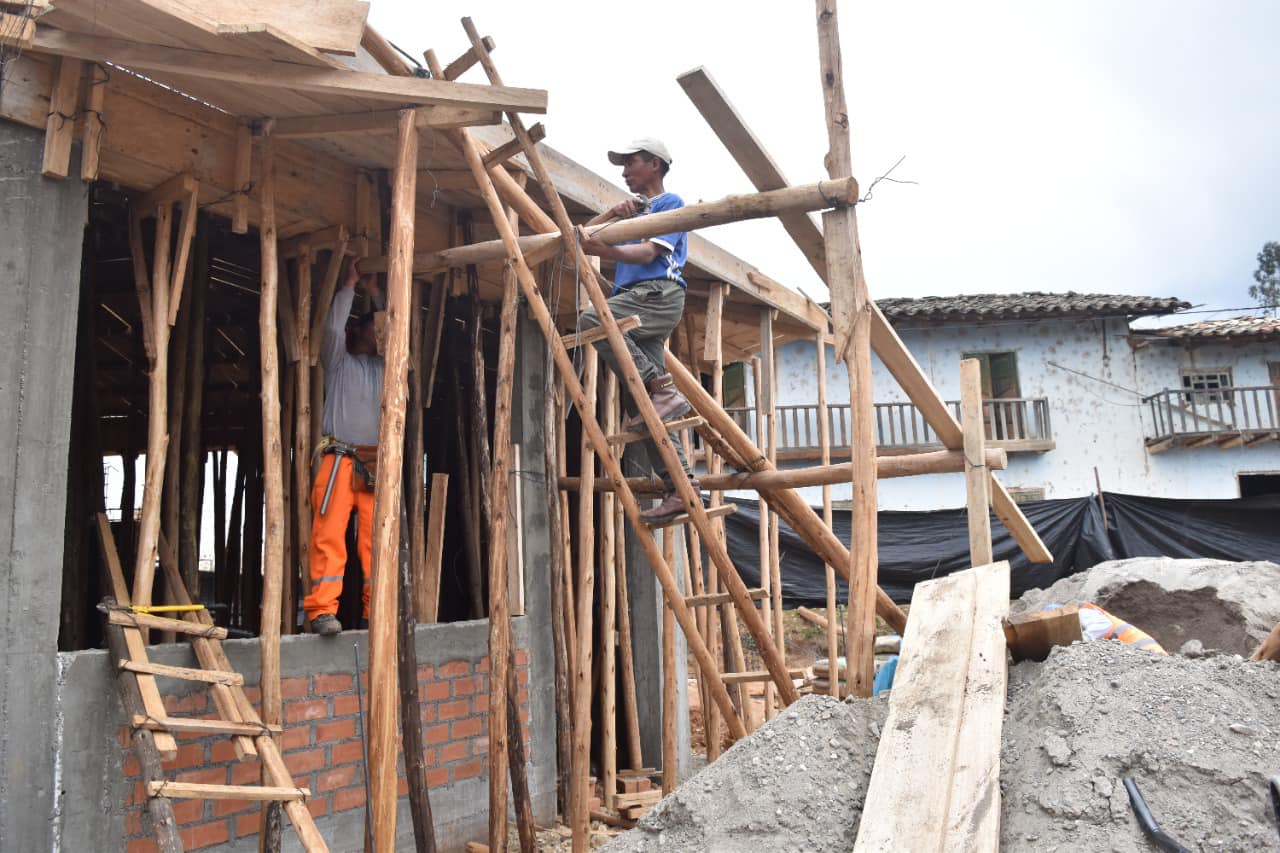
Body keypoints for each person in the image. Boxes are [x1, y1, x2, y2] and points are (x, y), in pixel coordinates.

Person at [577, 138, 698, 524]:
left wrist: (607, 251)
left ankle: (659, 386)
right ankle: (682, 487)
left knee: (592, 319)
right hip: (637, 302)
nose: (625, 171)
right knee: (644, 413)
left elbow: (648, 254)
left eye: (631, 164)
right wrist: (612, 213)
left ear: (655, 165)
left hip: (656, 295)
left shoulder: (669, 204)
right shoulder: (628, 215)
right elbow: (578, 238)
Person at [302, 258, 383, 636]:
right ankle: (321, 611)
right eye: (372, 324)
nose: (378, 329)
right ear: (360, 330)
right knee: (329, 536)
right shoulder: (339, 362)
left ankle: (373, 612)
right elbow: (332, 329)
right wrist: (350, 287)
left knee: (374, 541)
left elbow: (396, 330)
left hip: (372, 462)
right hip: (339, 458)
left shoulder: (387, 369)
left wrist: (378, 295)